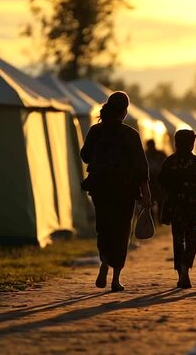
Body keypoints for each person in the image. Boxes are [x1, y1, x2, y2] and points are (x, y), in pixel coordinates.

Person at [80, 91, 151, 292]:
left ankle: (104, 262)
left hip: (100, 187)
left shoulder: (96, 131)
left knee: (104, 226)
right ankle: (115, 278)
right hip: (125, 190)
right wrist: (146, 193)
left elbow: (85, 156)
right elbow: (140, 167)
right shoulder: (130, 134)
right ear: (125, 112)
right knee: (121, 231)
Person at [159, 129, 196, 289]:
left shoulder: (169, 162)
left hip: (175, 205)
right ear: (192, 144)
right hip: (192, 206)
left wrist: (176, 190)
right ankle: (185, 269)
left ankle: (181, 273)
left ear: (175, 143)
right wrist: (191, 190)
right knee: (191, 240)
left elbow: (162, 181)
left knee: (177, 239)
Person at [145, 139, 167, 224]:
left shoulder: (147, 155)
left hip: (156, 180)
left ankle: (157, 220)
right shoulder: (146, 155)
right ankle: (155, 220)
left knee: (159, 201)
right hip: (151, 181)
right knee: (153, 201)